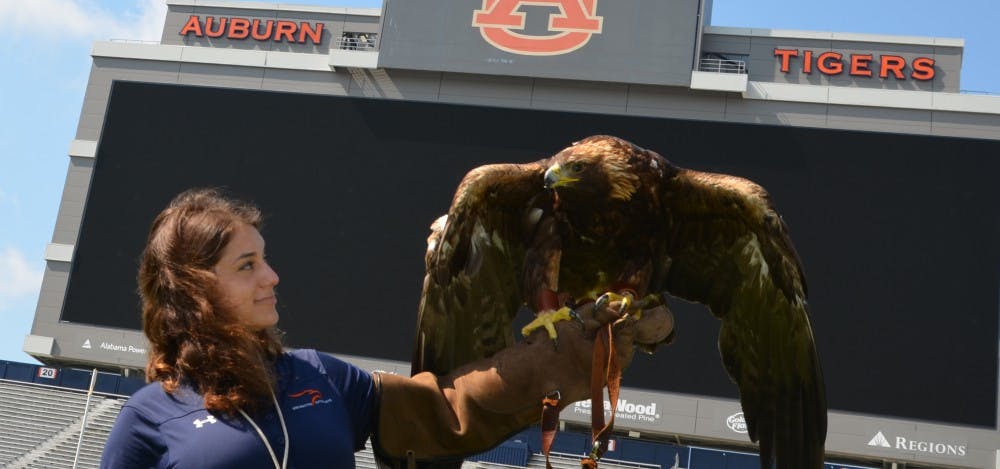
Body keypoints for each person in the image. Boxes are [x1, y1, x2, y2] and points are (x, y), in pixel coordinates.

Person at [100, 188, 674, 468]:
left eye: (266, 258)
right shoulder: (149, 417)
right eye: (247, 266)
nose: (272, 277)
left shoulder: (319, 377)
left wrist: (578, 351)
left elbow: (448, 408)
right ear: (194, 288)